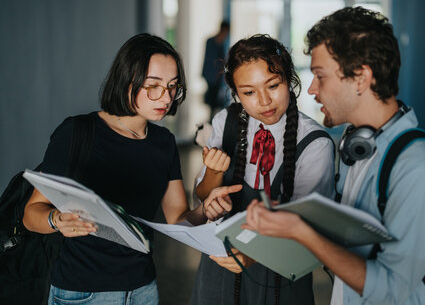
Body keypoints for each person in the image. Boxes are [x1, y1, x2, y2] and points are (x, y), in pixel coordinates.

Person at [243, 7, 425, 304]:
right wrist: (292, 217)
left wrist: (303, 232)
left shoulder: (422, 169)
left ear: (360, 78)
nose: (311, 89)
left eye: (320, 76)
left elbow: (390, 289)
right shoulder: (355, 148)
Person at [23, 33, 240, 305]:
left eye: (173, 86)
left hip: (143, 289)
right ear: (127, 82)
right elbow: (32, 214)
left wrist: (204, 211)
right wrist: (56, 220)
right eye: (154, 86)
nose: (166, 97)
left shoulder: (164, 143)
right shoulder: (77, 132)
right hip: (83, 292)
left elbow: (179, 220)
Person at [190, 34, 335, 305]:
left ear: (289, 79)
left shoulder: (314, 143)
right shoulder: (226, 121)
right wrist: (213, 183)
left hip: (280, 275)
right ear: (235, 93)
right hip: (220, 266)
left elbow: (312, 231)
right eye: (248, 92)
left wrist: (253, 255)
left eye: (273, 85)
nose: (264, 100)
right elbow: (203, 194)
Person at [202, 20, 230, 118]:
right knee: (213, 103)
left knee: (217, 103)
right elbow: (208, 61)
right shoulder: (211, 42)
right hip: (211, 78)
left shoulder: (222, 45)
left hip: (218, 79)